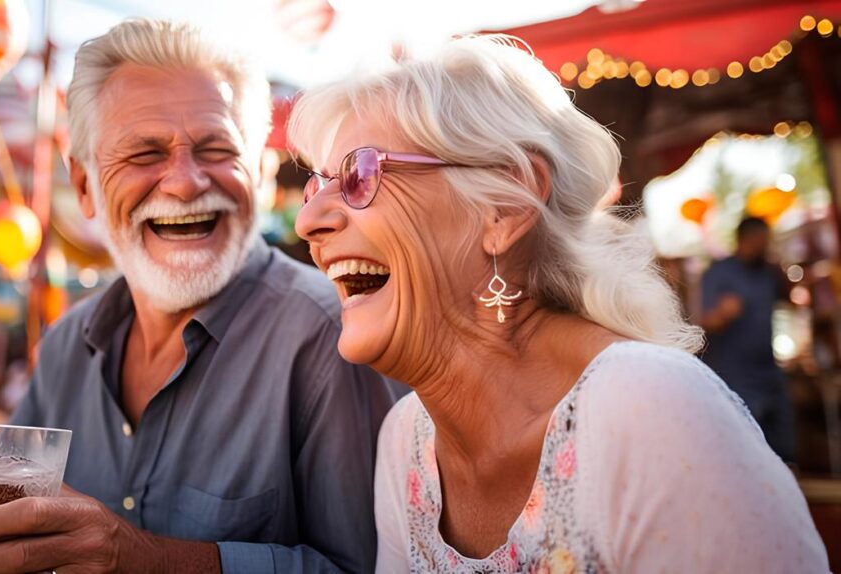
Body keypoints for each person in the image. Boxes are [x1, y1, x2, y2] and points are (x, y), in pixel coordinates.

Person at [290, 35, 828, 572]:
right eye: (317, 187)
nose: (307, 223)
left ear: (503, 206)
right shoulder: (406, 443)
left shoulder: (649, 408)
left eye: (361, 174)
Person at [0, 19, 395, 573]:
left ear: (259, 174)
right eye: (144, 154)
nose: (185, 183)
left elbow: (375, 567)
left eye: (216, 150)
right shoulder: (69, 345)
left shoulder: (334, 337)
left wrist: (143, 560)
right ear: (86, 185)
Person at [700, 216, 795, 461]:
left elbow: (792, 299)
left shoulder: (767, 272)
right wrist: (722, 314)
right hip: (735, 374)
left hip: (768, 371)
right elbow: (703, 321)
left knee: (782, 444)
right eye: (761, 241)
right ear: (746, 240)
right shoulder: (720, 272)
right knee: (748, 446)